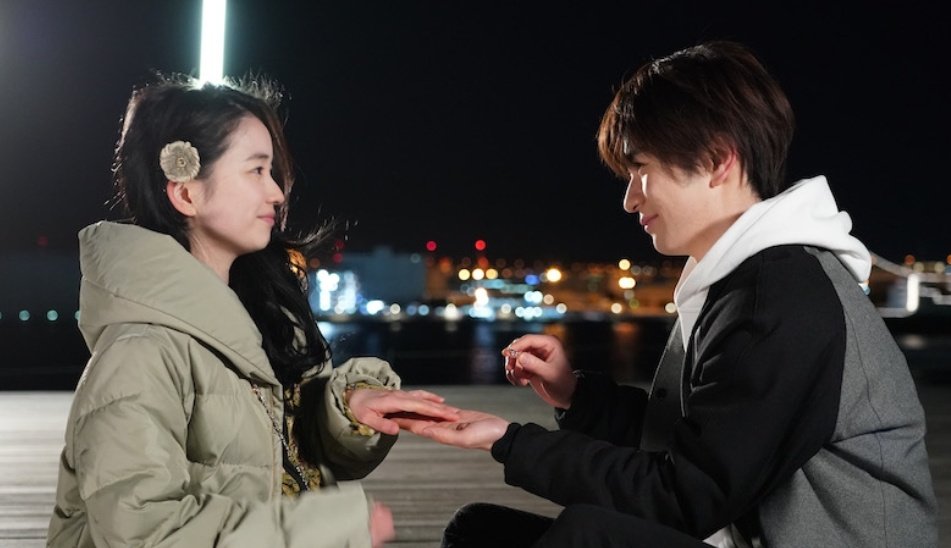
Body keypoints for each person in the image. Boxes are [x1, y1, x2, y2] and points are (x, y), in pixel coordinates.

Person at [397, 41, 938, 547]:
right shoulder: (743, 277)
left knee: (585, 535)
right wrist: (575, 395)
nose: (630, 200)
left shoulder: (779, 299)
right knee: (479, 532)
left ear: (718, 160)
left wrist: (507, 439)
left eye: (641, 170)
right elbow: (697, 441)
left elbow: (685, 496)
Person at [47, 75, 459, 547]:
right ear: (186, 193)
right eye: (256, 171)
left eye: (273, 172)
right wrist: (320, 529)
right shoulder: (139, 355)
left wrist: (349, 410)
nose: (277, 193)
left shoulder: (265, 317)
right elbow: (146, 536)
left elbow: (281, 455)